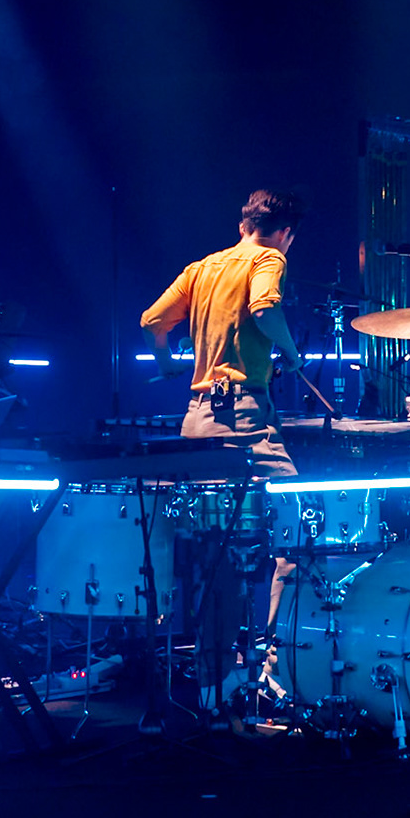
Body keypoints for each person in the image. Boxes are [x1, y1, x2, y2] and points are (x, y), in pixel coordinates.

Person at [141, 189, 306, 707]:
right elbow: (265, 306)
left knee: (217, 553)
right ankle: (278, 664)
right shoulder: (268, 257)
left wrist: (170, 366)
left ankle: (214, 685)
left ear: (243, 223)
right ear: (284, 232)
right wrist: (292, 352)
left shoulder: (203, 268)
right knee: (300, 529)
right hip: (245, 422)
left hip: (197, 422)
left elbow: (151, 321)